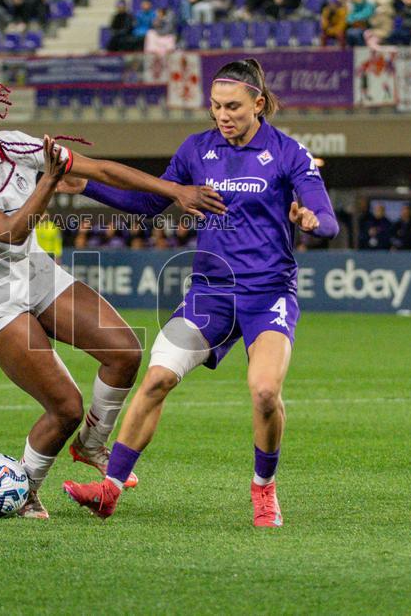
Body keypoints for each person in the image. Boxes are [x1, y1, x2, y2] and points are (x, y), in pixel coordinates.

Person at [0, 57, 225, 518]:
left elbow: (101, 171)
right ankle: (26, 490)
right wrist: (51, 179)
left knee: (124, 352)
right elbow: (11, 231)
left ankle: (93, 446)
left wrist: (174, 192)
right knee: (65, 407)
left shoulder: (15, 145)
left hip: (35, 272)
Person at [61, 58, 339, 526]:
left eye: (233, 106)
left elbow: (326, 217)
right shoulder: (196, 150)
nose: (223, 115)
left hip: (266, 293)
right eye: (215, 107)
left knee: (266, 392)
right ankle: (109, 490)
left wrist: (312, 221)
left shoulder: (290, 152)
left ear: (259, 103)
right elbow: (150, 202)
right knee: (156, 379)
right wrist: (86, 185)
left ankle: (264, 490)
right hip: (209, 294)